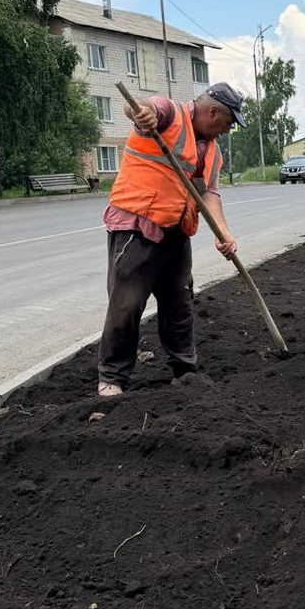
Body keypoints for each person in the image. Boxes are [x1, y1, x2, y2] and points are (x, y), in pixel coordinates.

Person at [96, 83, 245, 397]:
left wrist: (224, 233)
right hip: (137, 228)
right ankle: (112, 379)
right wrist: (143, 115)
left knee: (179, 304)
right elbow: (140, 108)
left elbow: (209, 194)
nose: (227, 131)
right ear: (214, 112)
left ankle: (184, 371)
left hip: (176, 233)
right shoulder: (169, 113)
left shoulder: (211, 150)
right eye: (228, 124)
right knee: (127, 304)